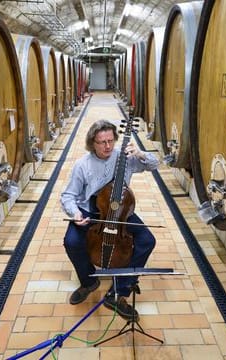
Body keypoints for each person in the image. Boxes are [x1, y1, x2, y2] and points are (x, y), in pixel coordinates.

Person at [60, 119, 159, 321]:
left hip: (121, 212)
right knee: (72, 242)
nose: (107, 146)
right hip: (92, 212)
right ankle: (88, 282)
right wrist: (75, 214)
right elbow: (68, 196)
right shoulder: (82, 165)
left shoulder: (125, 157)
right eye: (101, 142)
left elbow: (155, 164)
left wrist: (140, 153)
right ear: (92, 143)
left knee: (147, 241)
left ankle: (119, 292)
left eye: (111, 141)